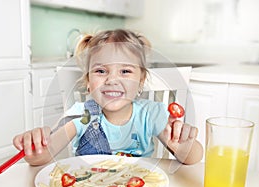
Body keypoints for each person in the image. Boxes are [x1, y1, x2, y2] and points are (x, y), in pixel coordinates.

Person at [13, 29, 203, 166]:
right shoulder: (82, 115)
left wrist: (185, 147)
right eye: (101, 70)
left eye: (125, 71)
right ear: (88, 81)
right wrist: (35, 147)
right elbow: (45, 155)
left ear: (141, 80)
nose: (112, 80)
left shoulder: (150, 114)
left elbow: (194, 158)